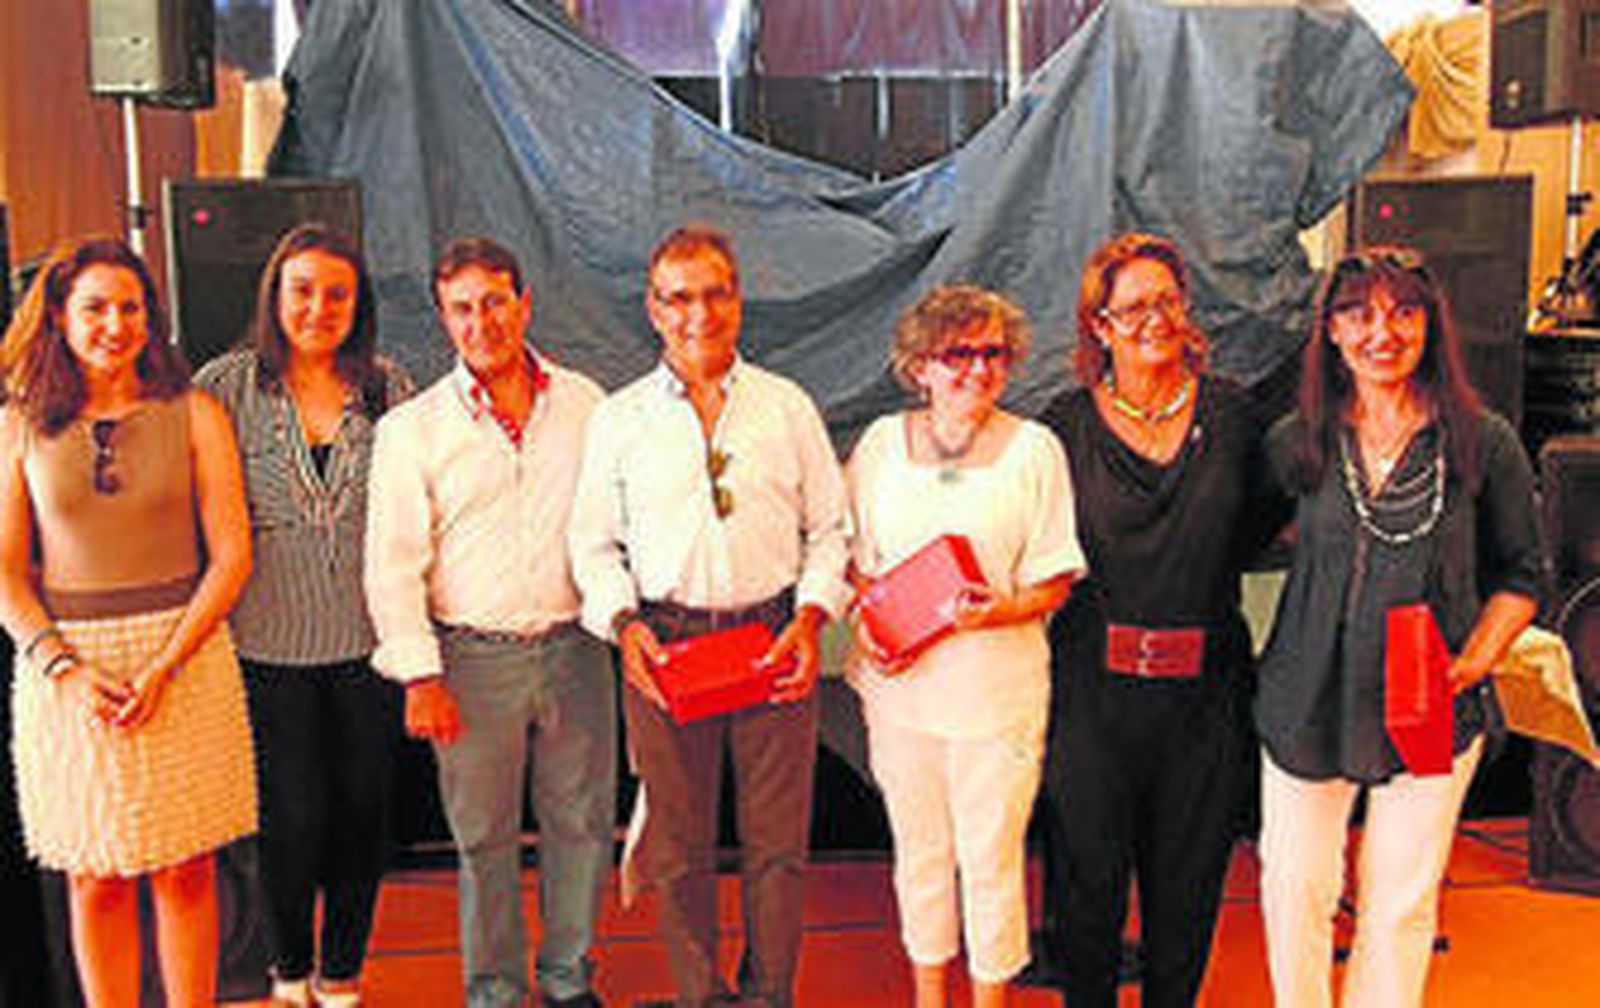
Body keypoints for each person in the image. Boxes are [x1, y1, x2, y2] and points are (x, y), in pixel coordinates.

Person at [569, 224, 850, 1008]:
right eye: (680, 298)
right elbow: (591, 544)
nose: (699, 314)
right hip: (666, 647)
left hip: (773, 641)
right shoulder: (619, 420)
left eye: (715, 294)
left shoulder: (787, 408)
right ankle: (699, 996)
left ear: (739, 299)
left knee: (778, 847)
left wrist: (812, 619)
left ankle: (769, 996)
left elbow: (831, 530)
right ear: (653, 309)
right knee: (679, 849)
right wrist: (624, 626)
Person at [1256, 245, 1543, 1008]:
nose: (1381, 333)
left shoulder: (1482, 440)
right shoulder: (1297, 441)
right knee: (1294, 888)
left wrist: (1471, 663)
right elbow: (1242, 540)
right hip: (1306, 698)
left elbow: (1523, 574)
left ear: (1430, 324)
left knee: (1401, 901)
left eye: (1403, 312)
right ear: (1331, 329)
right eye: (1359, 314)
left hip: (1431, 703)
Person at [0, 238, 257, 1007]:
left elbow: (233, 554)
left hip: (186, 656)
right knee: (96, 872)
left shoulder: (196, 413)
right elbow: (5, 570)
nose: (115, 325)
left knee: (187, 866)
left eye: (130, 308)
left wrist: (166, 664)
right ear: (59, 316)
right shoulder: (17, 424)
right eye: (95, 308)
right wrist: (64, 669)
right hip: (67, 673)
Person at [1035, 233, 1288, 1008]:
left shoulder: (1236, 418)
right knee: (1086, 906)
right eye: (1133, 307)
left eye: (1168, 301)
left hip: (1204, 705)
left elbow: (1257, 528)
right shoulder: (1062, 428)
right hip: (1091, 704)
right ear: (1099, 325)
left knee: (1187, 904)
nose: (1155, 319)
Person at [364, 237, 614, 1008]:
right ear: (444, 319)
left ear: (524, 304)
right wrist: (420, 676)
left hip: (576, 649)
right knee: (483, 839)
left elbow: (614, 525)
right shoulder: (411, 430)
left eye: (495, 302)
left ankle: (568, 979)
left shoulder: (587, 405)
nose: (482, 323)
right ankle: (496, 990)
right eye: (463, 309)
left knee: (582, 826)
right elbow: (391, 563)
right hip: (469, 661)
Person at [845, 285, 1083, 1008]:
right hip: (901, 698)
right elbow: (855, 562)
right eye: (959, 354)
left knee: (990, 859)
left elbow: (1055, 579)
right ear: (920, 365)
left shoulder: (1036, 451)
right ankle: (929, 998)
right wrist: (869, 621)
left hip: (998, 702)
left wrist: (999, 611)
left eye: (993, 354)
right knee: (920, 855)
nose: (978, 369)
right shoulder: (880, 446)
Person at [195, 224, 414, 1008]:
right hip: (263, 649)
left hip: (370, 646)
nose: (318, 308)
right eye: (303, 291)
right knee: (288, 821)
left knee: (361, 817)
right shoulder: (223, 388)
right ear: (274, 296)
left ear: (359, 305)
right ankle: (288, 973)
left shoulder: (390, 386)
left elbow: (413, 519)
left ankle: (343, 974)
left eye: (336, 295)